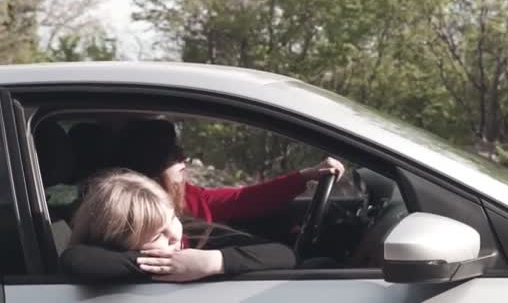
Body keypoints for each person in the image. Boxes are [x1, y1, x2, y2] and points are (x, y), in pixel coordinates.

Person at [61, 168, 296, 282]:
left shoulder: (194, 231)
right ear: (121, 245)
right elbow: (76, 260)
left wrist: (211, 262)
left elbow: (284, 255)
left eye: (172, 218)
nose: (174, 235)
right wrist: (167, 266)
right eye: (156, 236)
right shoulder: (104, 260)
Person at [115, 118, 345, 224]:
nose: (184, 157)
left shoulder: (188, 197)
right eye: (172, 153)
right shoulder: (130, 217)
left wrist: (305, 176)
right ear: (151, 161)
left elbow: (242, 198)